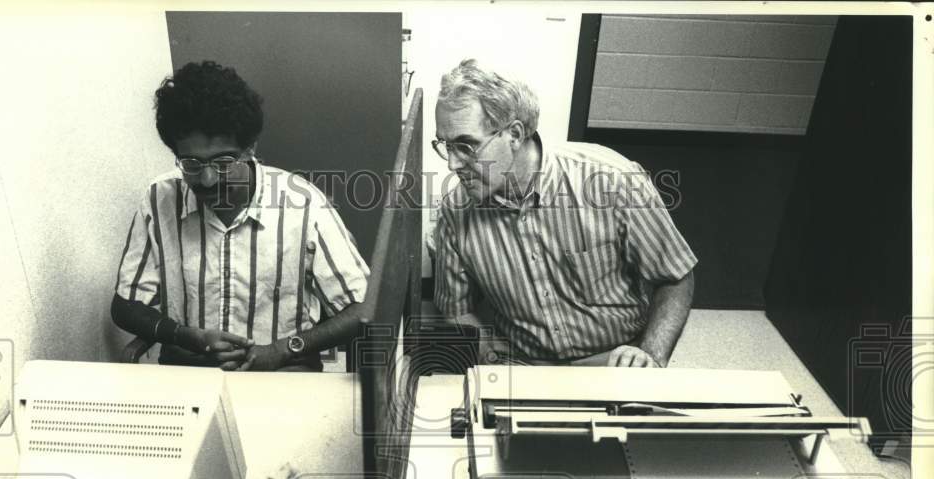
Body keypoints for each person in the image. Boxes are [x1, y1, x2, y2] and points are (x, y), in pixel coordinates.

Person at [428, 59, 696, 367]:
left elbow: (676, 276)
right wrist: (491, 357)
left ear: (514, 134)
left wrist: (650, 355)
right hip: (523, 365)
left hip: (614, 360)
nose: (452, 164)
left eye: (466, 146)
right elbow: (456, 310)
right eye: (445, 146)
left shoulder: (612, 179)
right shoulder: (455, 212)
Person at [112, 61, 368, 372]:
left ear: (249, 148)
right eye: (191, 163)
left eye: (223, 161)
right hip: (190, 374)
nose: (207, 179)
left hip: (281, 372)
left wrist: (283, 349)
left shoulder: (304, 204)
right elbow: (125, 306)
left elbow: (363, 308)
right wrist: (187, 337)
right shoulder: (159, 199)